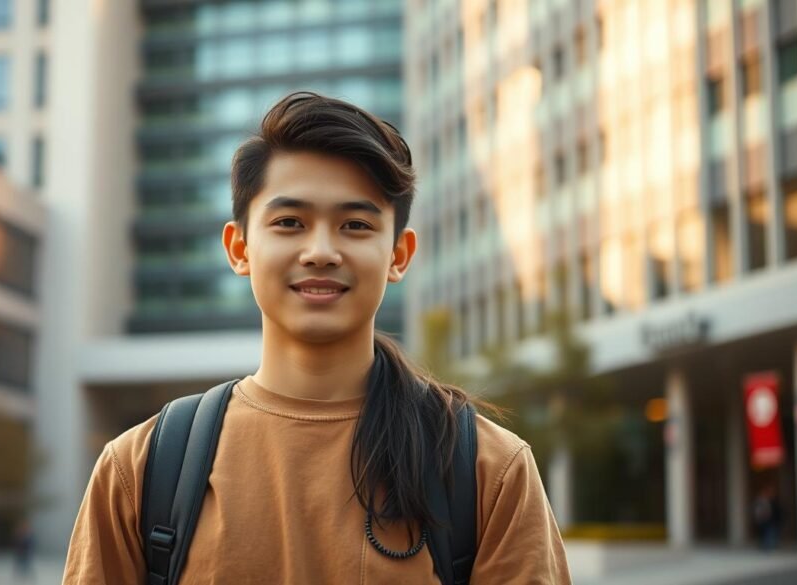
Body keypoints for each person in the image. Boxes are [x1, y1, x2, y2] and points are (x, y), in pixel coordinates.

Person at [61, 92, 571, 584]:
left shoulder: (488, 470)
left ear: (399, 255)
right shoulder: (141, 469)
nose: (321, 250)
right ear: (239, 248)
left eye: (354, 224)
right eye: (289, 222)